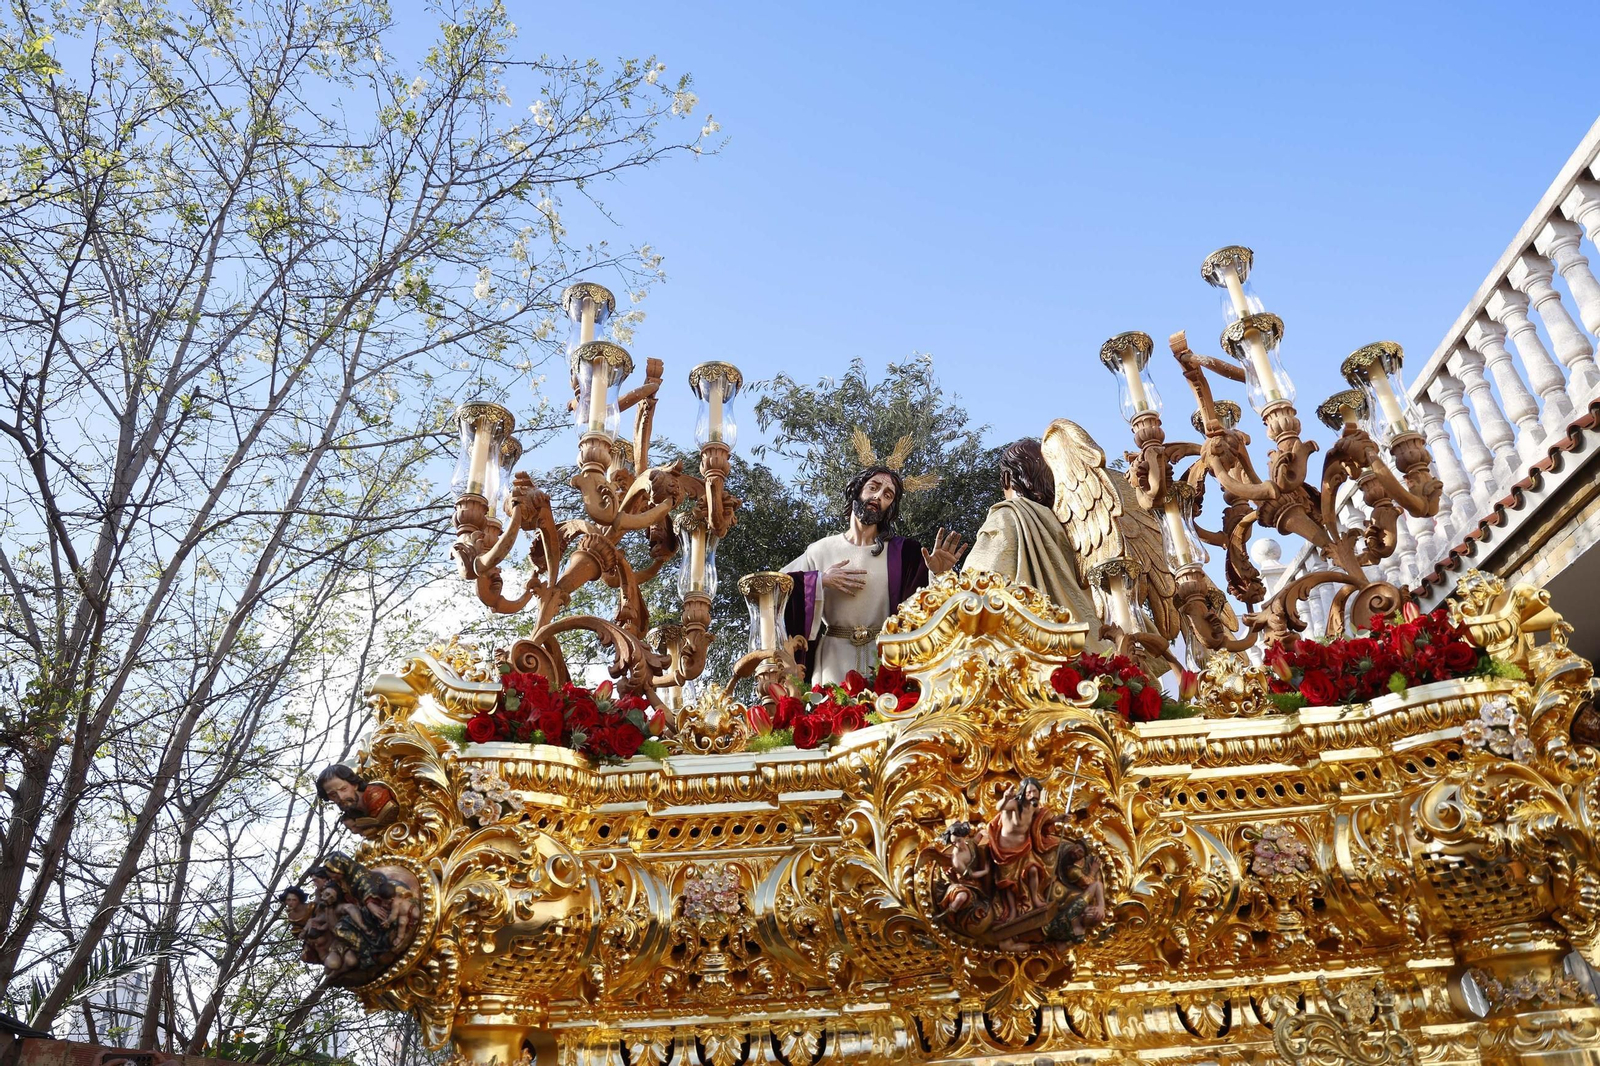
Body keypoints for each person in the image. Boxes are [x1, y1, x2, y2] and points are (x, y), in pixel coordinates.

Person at [782, 466, 968, 686]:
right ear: (857, 490)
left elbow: (926, 608)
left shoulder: (904, 553)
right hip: (832, 659)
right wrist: (820, 581)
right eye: (873, 487)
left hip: (886, 659)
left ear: (890, 508)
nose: (878, 496)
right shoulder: (820, 550)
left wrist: (939, 574)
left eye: (887, 495)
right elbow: (777, 586)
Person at [964, 438, 1103, 635]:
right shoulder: (1066, 524)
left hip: (1025, 639)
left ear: (1006, 478)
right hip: (1081, 630)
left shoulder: (1006, 516)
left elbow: (978, 585)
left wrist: (940, 575)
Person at [316, 764, 398, 836]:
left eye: (343, 789)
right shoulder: (351, 813)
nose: (341, 797)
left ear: (355, 785)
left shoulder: (376, 796)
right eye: (333, 795)